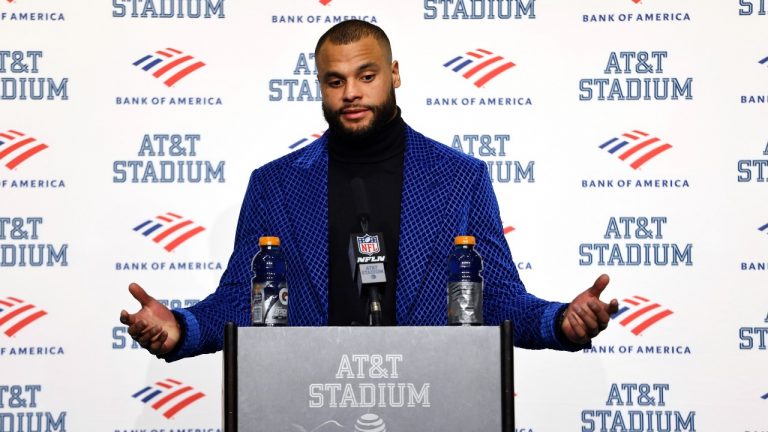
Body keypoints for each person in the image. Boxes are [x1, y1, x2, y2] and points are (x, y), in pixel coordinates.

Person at [120, 20, 619, 361]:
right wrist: (182, 328)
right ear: (319, 86)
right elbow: (241, 303)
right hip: (310, 404)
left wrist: (560, 322)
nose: (351, 93)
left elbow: (496, 299)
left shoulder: (459, 177)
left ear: (394, 74)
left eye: (366, 75)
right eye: (334, 81)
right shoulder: (275, 185)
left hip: (428, 403)